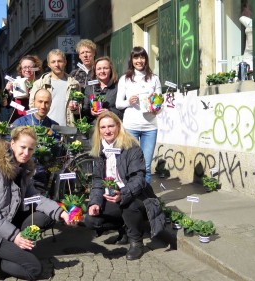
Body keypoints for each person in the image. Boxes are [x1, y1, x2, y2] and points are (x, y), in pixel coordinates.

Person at [0, 126, 78, 280]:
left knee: (47, 216)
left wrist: (62, 212)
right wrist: (15, 236)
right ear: (12, 144)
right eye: (23, 147)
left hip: (4, 223)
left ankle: (2, 255)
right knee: (34, 269)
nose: (26, 153)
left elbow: (36, 199)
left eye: (30, 149)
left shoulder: (23, 169)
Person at [85, 111, 175, 261]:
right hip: (113, 195)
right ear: (99, 130)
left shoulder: (131, 147)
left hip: (138, 196)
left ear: (118, 127)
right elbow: (97, 180)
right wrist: (94, 202)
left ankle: (136, 242)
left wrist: (123, 193)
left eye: (111, 126)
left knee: (127, 203)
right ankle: (124, 230)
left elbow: (138, 179)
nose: (107, 131)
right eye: (103, 127)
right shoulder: (99, 150)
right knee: (91, 220)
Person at [116, 46, 161, 184]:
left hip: (150, 127)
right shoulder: (125, 79)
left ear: (146, 60)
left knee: (146, 166)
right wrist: (129, 102)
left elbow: (159, 103)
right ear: (132, 60)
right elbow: (118, 104)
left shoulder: (154, 79)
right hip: (131, 127)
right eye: (136, 57)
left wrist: (156, 109)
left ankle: (146, 198)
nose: (139, 60)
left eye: (142, 57)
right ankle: (133, 196)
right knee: (132, 165)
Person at [29, 49, 80, 127]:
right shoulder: (39, 84)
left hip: (67, 128)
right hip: (45, 127)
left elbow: (79, 109)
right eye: (53, 62)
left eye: (60, 61)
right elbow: (32, 106)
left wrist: (75, 108)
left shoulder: (74, 84)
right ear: (49, 64)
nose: (57, 64)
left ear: (65, 62)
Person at [83, 56, 123, 123]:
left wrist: (109, 112)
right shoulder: (90, 88)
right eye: (99, 69)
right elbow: (84, 110)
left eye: (105, 68)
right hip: (95, 127)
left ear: (110, 70)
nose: (102, 71)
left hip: (113, 125)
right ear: (95, 71)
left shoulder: (119, 87)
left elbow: (124, 111)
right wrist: (91, 112)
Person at [5, 55, 43, 123]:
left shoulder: (40, 84)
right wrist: (7, 92)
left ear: (35, 68)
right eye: (25, 67)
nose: (27, 70)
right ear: (21, 69)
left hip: (35, 121)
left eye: (30, 67)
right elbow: (7, 105)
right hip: (18, 119)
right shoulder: (16, 83)